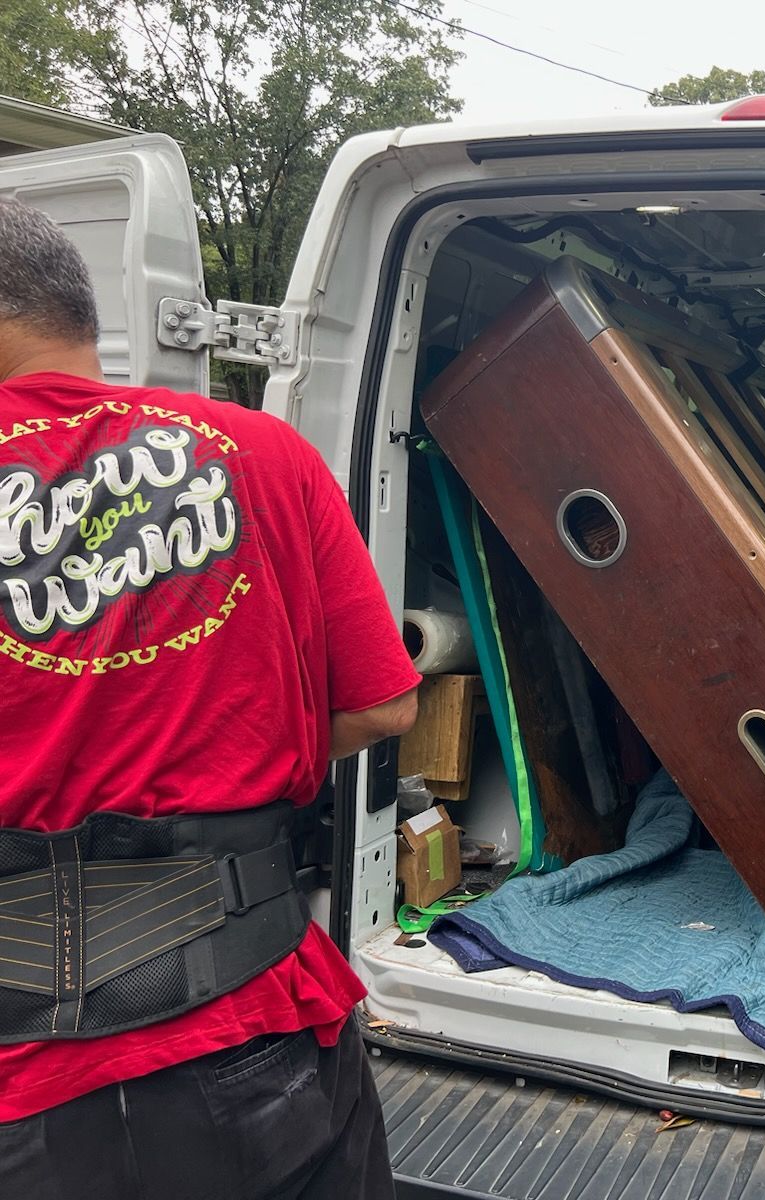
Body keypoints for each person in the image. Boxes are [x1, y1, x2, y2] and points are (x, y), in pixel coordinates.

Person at [0, 196, 419, 1196]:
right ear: (79, 315)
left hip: (38, 1087)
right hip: (263, 1026)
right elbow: (381, 706)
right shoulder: (265, 452)